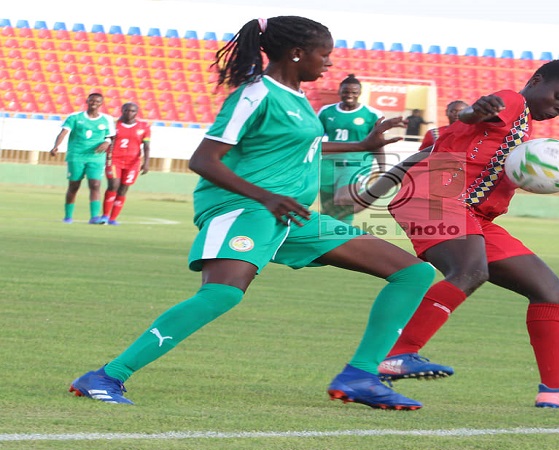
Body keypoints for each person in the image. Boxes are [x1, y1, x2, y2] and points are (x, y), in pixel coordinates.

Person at [68, 16, 434, 411]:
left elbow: (299, 149)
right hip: (244, 208)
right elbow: (204, 159)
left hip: (287, 214)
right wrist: (266, 197)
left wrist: (361, 145)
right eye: (323, 54)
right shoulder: (256, 94)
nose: (329, 64)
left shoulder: (297, 99)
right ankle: (106, 376)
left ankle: (360, 375)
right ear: (297, 53)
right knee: (222, 294)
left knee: (413, 272)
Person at [353, 60, 559, 412]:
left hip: (472, 215)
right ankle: (399, 353)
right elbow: (473, 113)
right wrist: (470, 111)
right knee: (469, 270)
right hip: (433, 199)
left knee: (551, 291)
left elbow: (428, 150)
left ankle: (557, 390)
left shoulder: (522, 132)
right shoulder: (511, 102)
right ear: (536, 81)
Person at [317, 74, 385, 224]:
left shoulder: (372, 114)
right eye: (346, 92)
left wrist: (382, 169)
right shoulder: (326, 111)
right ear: (339, 92)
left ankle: (342, 235)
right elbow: (315, 139)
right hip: (329, 163)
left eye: (354, 92)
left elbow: (378, 144)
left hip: (358, 162)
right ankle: (329, 236)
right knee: (329, 206)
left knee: (344, 199)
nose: (350, 95)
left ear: (359, 93)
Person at [49, 93, 116, 224]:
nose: (94, 103)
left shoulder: (107, 119)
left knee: (95, 185)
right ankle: (68, 216)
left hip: (96, 157)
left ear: (101, 103)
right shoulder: (75, 117)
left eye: (97, 101)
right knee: (74, 186)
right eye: (92, 100)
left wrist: (107, 143)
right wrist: (56, 146)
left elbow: (111, 136)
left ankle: (94, 217)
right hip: (76, 156)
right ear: (87, 101)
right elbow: (64, 132)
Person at [100, 102, 152, 225]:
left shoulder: (144, 127)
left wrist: (146, 163)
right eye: (127, 110)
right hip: (114, 160)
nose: (129, 113)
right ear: (122, 111)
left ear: (136, 112)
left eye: (132, 111)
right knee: (113, 185)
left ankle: (113, 218)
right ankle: (105, 216)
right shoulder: (114, 125)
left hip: (133, 162)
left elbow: (147, 146)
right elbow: (106, 140)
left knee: (123, 188)